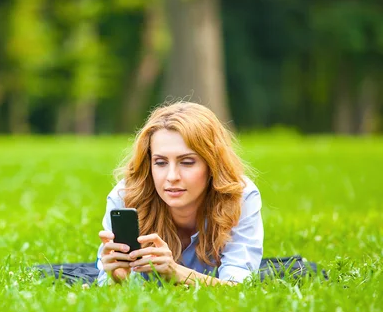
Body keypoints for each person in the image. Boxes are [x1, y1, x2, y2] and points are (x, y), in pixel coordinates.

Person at [96, 101, 263, 286]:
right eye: (160, 162)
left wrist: (176, 272)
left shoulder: (240, 196)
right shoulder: (126, 197)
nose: (172, 176)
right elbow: (108, 287)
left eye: (187, 162)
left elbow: (239, 288)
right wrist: (120, 279)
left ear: (212, 165)